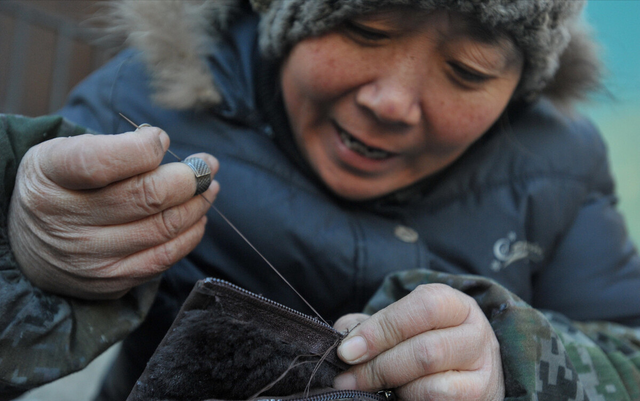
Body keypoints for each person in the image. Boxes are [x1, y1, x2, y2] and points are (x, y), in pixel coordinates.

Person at [2, 0, 639, 399]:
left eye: (468, 71)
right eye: (365, 29)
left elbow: (627, 354)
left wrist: (511, 369)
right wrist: (25, 258)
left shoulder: (563, 162)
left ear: (522, 83)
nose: (391, 103)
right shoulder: (140, 105)